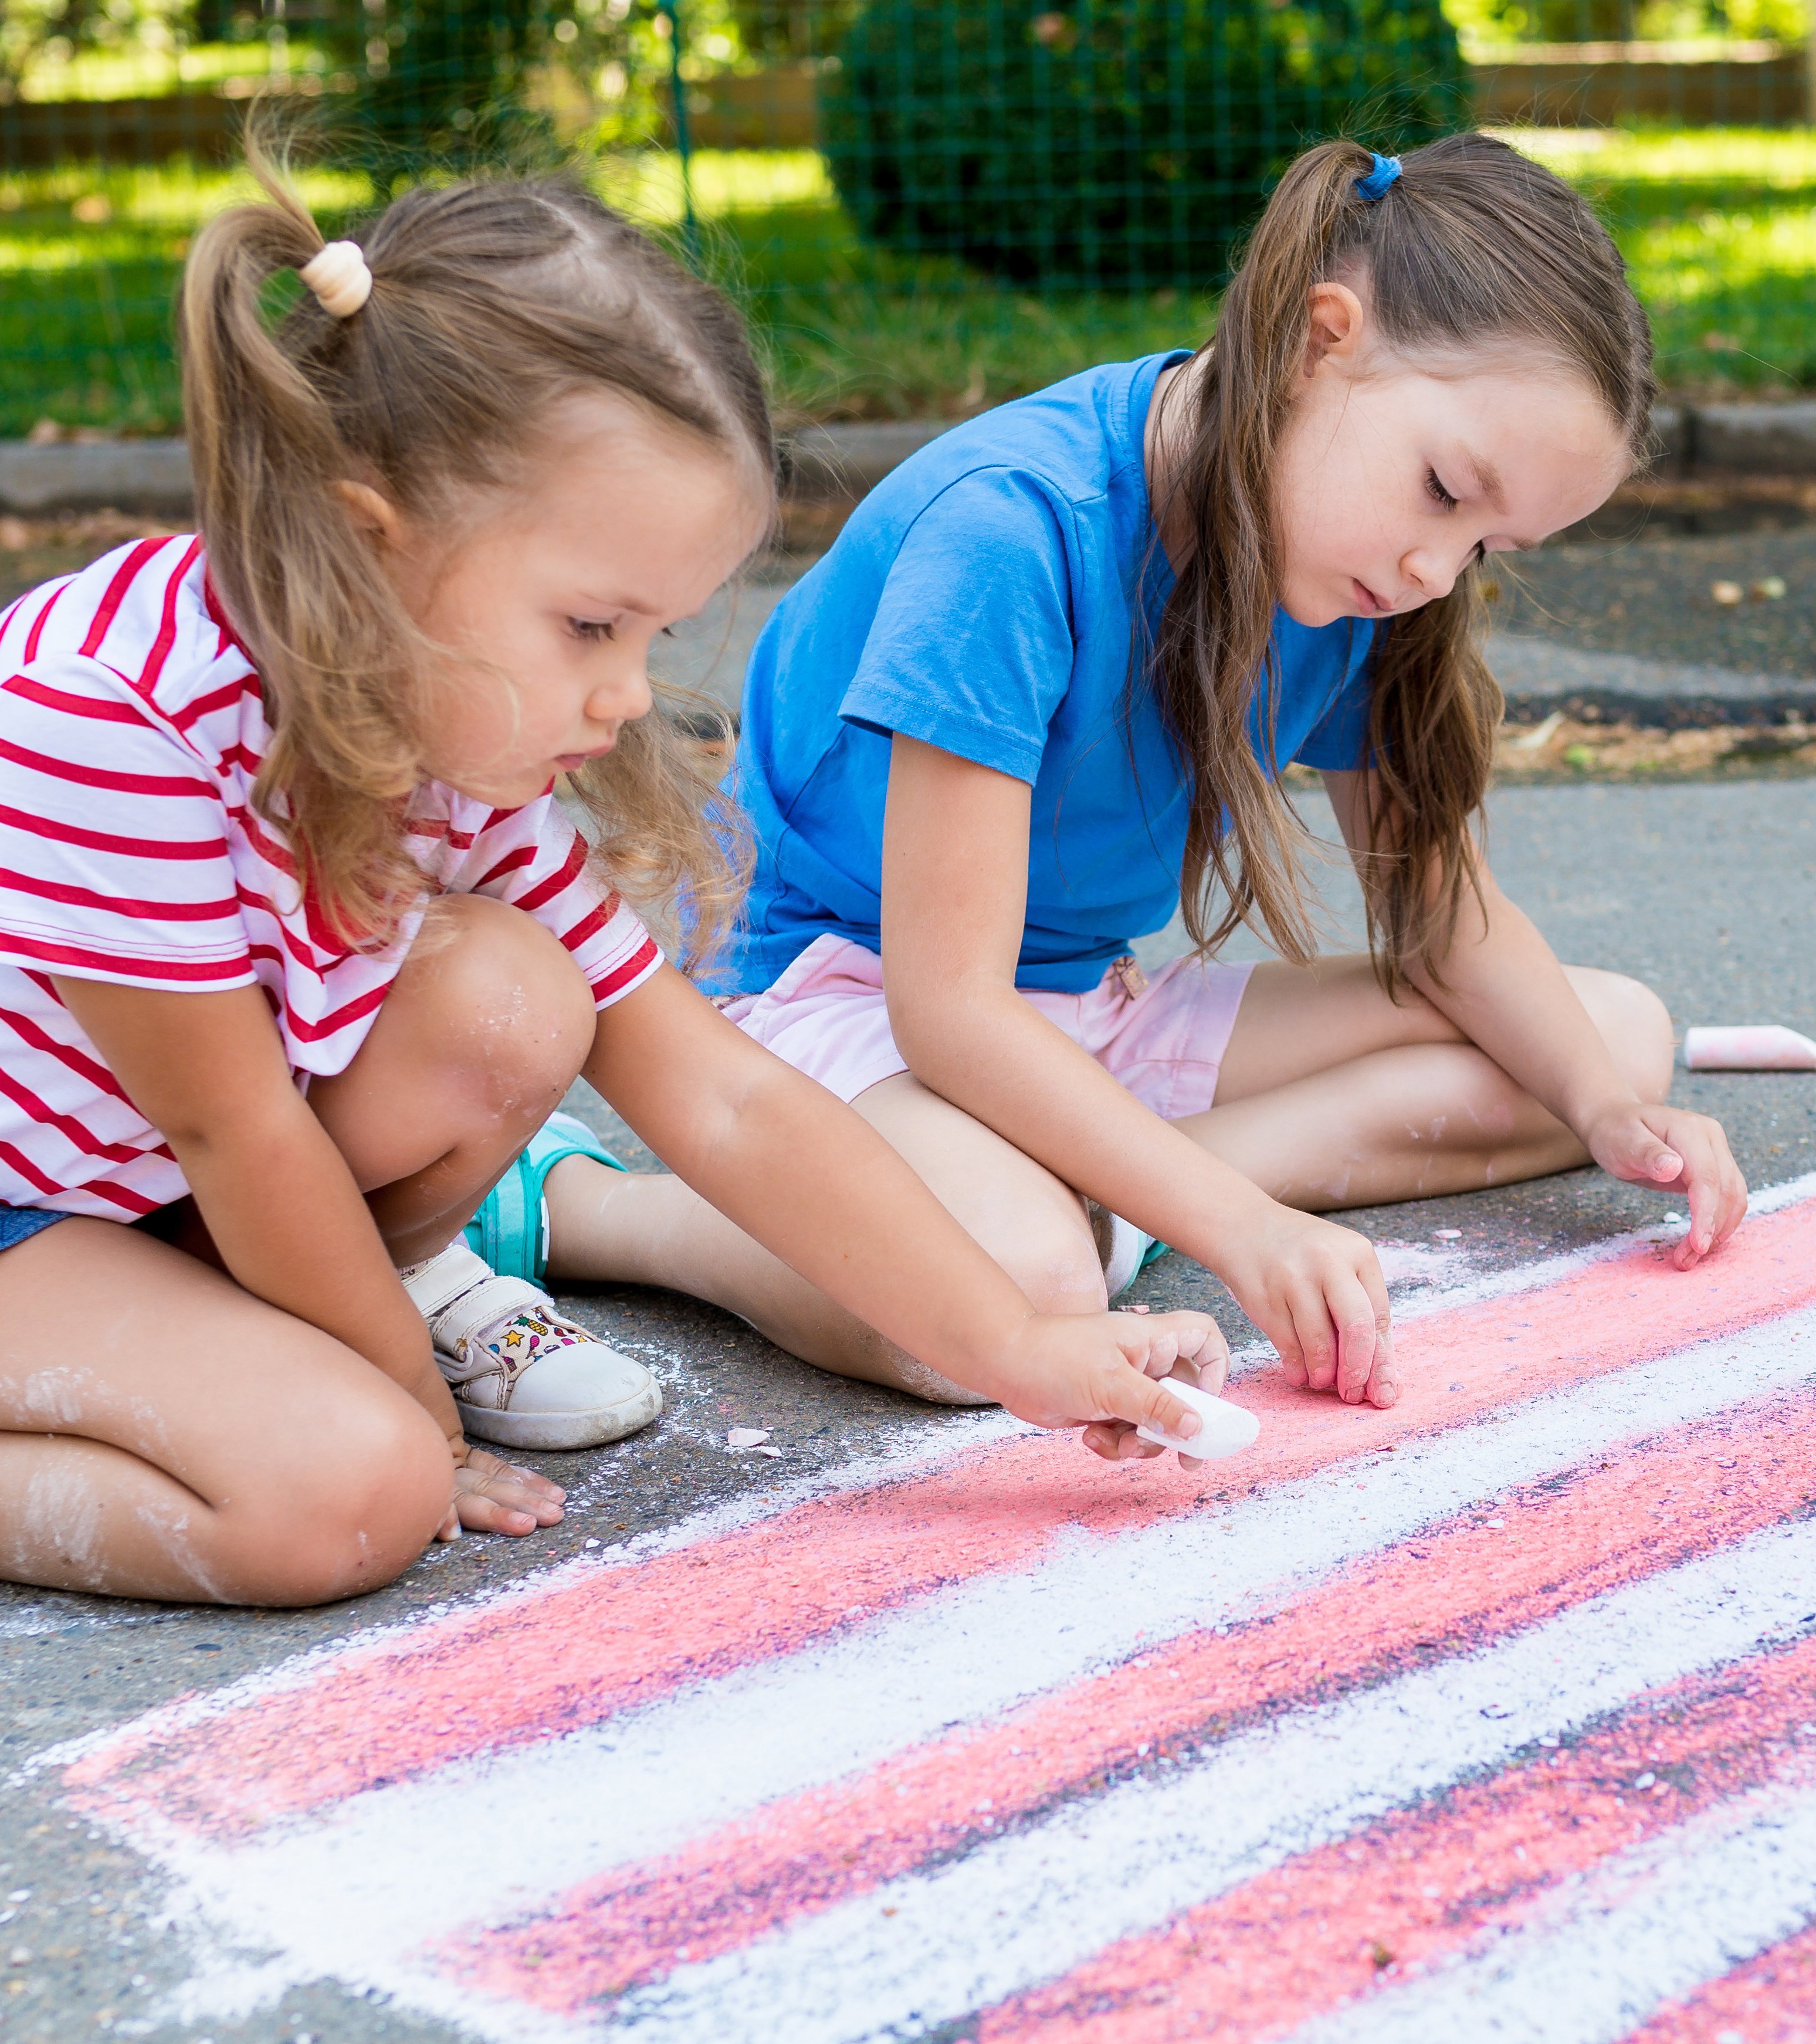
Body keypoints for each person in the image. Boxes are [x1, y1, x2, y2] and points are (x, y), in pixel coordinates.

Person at [0, 163, 1224, 1608]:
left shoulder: (434, 734)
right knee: (347, 1496)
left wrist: (1019, 1343)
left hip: (138, 1182)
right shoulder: (102, 726)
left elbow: (722, 1097)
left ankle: (326, 1321)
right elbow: (238, 1127)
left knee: (508, 995)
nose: (628, 694)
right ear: (371, 545)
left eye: (653, 636)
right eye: (592, 626)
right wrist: (400, 1403)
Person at [511, 132, 1748, 1414]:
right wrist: (1242, 1228)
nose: (1441, 570)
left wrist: (1605, 1110)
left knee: (1608, 1039)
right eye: (1443, 490)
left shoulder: (1369, 587)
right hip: (837, 1000)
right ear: (1325, 337)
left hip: (1080, 1011)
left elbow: (1443, 916)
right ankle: (602, 1213)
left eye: (1487, 541)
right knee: (1023, 1285)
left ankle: (1113, 1182)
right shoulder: (1013, 529)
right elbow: (950, 1011)